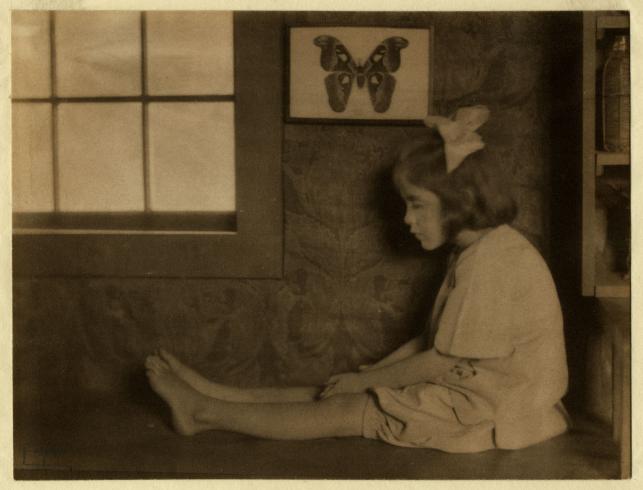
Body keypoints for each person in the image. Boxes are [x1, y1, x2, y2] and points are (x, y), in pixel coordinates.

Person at [145, 106, 570, 452]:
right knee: (344, 389)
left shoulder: (491, 263)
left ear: (460, 200)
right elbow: (435, 341)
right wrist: (378, 370)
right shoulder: (481, 251)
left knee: (350, 408)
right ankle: (218, 394)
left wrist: (368, 381)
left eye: (417, 205)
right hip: (479, 388)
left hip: (498, 407)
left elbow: (441, 358)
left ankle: (206, 412)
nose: (407, 219)